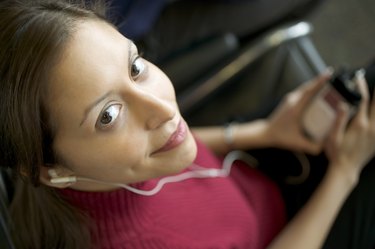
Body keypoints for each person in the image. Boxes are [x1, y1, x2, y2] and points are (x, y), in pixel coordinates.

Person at [0, 1, 374, 249]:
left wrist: (262, 132)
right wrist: (344, 172)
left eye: (135, 67)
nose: (162, 108)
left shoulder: (116, 165)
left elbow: (178, 146)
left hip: (251, 178)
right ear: (51, 171)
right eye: (108, 116)